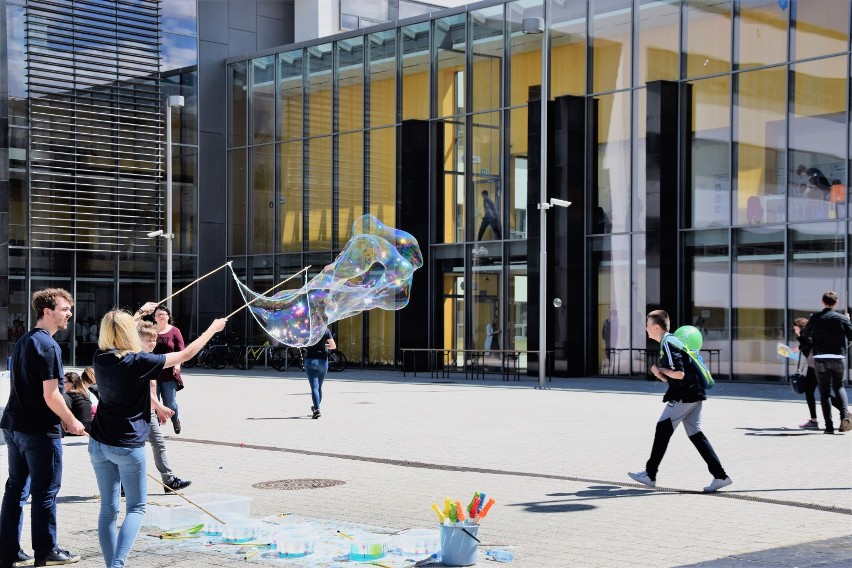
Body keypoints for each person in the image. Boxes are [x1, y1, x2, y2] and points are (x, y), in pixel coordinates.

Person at [88, 309, 226, 568]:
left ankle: (111, 565)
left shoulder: (101, 357)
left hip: (98, 442)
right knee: (136, 508)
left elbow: (119, 325)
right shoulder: (138, 361)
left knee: (108, 508)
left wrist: (140, 312)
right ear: (131, 332)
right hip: (126, 445)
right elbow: (184, 355)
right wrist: (212, 329)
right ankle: (117, 564)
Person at [0, 288, 84, 568]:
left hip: (15, 427)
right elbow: (51, 394)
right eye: (64, 309)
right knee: (45, 491)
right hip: (37, 430)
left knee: (15, 489)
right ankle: (46, 550)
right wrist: (71, 420)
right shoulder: (49, 346)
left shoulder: (24, 341)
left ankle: (9, 551)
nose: (69, 314)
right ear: (47, 312)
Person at [628, 310, 732, 493]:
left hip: (684, 395)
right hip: (694, 393)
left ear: (657, 327)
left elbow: (679, 373)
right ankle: (721, 476)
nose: (646, 328)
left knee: (662, 429)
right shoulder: (671, 342)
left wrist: (662, 369)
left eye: (647, 324)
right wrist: (660, 374)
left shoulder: (667, 343)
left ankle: (650, 474)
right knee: (696, 435)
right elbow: (675, 376)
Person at [137, 321, 191, 493]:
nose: (152, 344)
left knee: (158, 444)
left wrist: (156, 410)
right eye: (148, 341)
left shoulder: (149, 358)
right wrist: (160, 407)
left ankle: (169, 481)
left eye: (154, 340)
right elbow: (144, 391)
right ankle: (124, 484)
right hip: (138, 412)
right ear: (137, 340)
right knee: (134, 447)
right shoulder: (139, 360)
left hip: (149, 411)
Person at [799, 291, 852, 434]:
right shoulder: (841, 318)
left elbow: (804, 334)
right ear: (836, 303)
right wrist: (847, 320)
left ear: (823, 302)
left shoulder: (815, 318)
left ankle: (829, 427)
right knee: (839, 387)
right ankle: (844, 418)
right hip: (838, 357)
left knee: (824, 391)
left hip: (820, 358)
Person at [151, 305, 185, 434]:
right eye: (158, 314)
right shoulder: (151, 331)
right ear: (154, 317)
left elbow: (182, 350)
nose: (161, 316)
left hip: (169, 373)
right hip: (153, 372)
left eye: (163, 314)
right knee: (153, 404)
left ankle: (175, 420)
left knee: (170, 403)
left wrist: (177, 364)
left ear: (168, 316)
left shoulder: (174, 331)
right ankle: (155, 430)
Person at [792, 318, 820, 429]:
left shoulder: (805, 332)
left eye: (795, 328)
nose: (794, 330)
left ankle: (813, 421)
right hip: (815, 364)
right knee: (820, 391)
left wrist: (798, 347)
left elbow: (808, 343)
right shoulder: (810, 331)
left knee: (811, 391)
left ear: (799, 326)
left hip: (814, 365)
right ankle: (845, 411)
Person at [303, 329, 336, 419]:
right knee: (319, 387)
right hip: (323, 362)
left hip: (310, 361)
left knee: (314, 387)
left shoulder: (308, 330)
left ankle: (317, 409)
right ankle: (316, 407)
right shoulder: (326, 330)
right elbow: (333, 346)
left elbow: (300, 342)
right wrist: (324, 346)